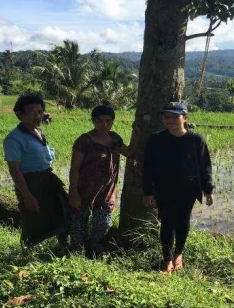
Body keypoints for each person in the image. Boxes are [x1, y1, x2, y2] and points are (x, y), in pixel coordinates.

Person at [142, 102, 214, 274]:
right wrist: (148, 192)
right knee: (167, 222)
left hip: (188, 189)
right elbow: (148, 168)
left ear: (185, 118)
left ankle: (179, 254)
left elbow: (205, 167)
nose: (170, 120)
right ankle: (167, 259)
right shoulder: (156, 139)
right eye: (167, 116)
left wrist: (209, 190)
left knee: (183, 221)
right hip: (164, 188)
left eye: (175, 116)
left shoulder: (196, 140)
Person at [69, 103, 141, 255]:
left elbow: (128, 152)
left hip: (107, 190)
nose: (104, 124)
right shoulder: (84, 141)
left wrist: (136, 137)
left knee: (102, 224)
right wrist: (73, 192)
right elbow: (74, 168)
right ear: (93, 121)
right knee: (79, 221)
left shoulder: (114, 138)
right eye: (100, 121)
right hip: (84, 189)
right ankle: (77, 253)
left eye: (109, 121)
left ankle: (95, 252)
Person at [3, 93, 70, 252]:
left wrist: (44, 115)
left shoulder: (37, 130)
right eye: (32, 112)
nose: (37, 116)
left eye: (40, 112)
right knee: (33, 217)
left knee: (64, 209)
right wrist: (27, 195)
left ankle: (62, 246)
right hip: (31, 183)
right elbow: (14, 170)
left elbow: (41, 116)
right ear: (19, 114)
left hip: (48, 178)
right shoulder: (14, 139)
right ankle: (27, 251)